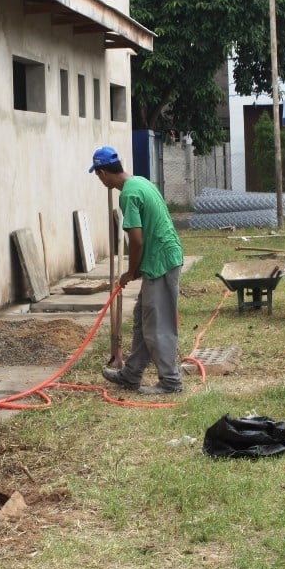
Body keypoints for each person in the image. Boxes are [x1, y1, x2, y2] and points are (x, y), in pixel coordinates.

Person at [89, 146, 185, 395]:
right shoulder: (139, 181)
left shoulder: (128, 195)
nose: (99, 180)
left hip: (161, 262)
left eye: (98, 176)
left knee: (157, 325)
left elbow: (137, 240)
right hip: (159, 260)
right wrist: (139, 270)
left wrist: (131, 272)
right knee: (143, 319)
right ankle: (131, 375)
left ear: (102, 173)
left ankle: (170, 382)